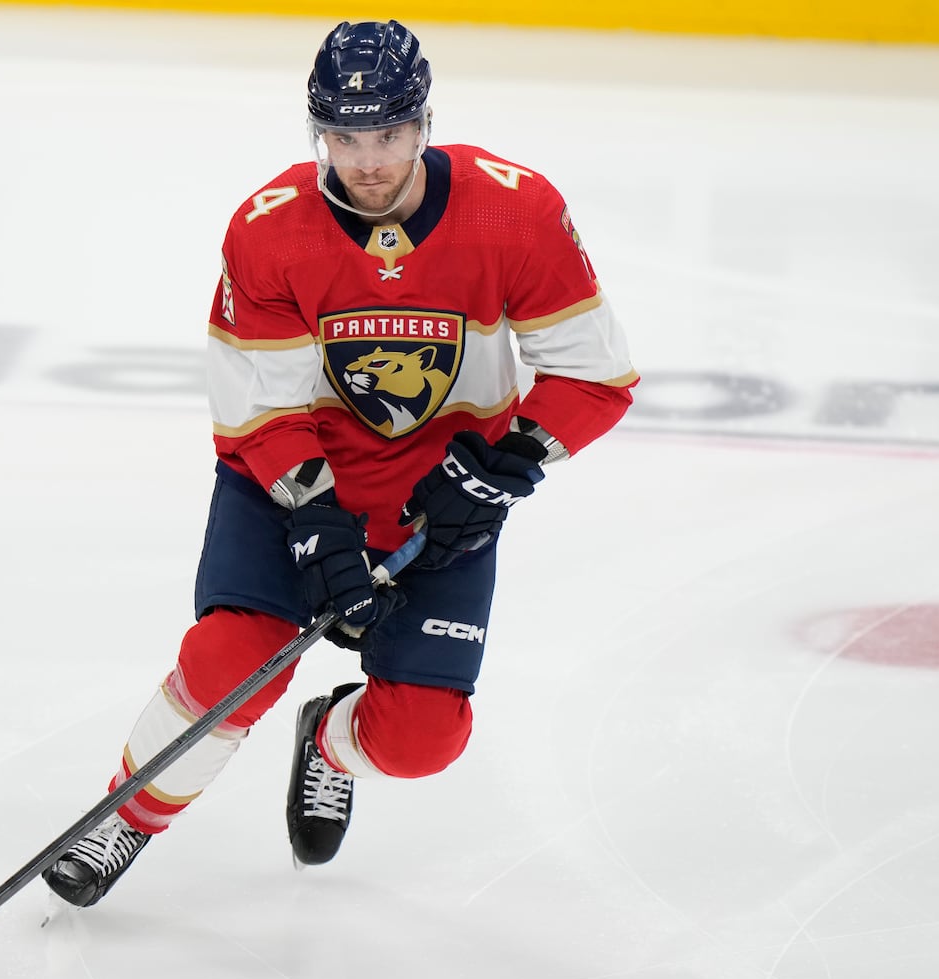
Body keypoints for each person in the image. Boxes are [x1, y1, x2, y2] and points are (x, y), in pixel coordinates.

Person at [42, 18, 637, 907]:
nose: (367, 160)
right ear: (318, 131)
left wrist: (500, 469)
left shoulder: (513, 211)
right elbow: (260, 406)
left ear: (423, 122)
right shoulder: (270, 229)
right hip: (291, 488)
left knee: (422, 739)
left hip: (440, 500)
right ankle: (130, 813)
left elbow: (595, 375)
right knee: (233, 662)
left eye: (389, 134)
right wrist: (316, 521)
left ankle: (330, 742)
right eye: (345, 137)